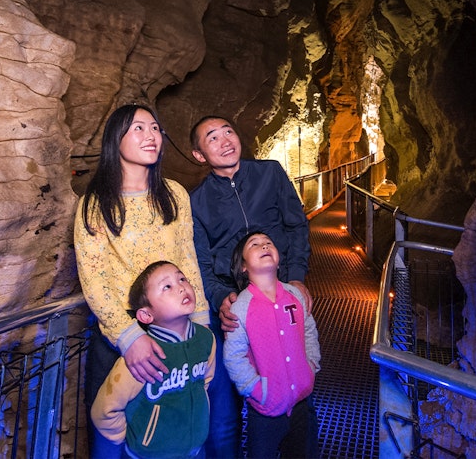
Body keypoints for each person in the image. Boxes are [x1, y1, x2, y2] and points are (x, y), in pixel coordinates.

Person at [75, 104, 212, 458]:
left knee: (180, 424)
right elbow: (94, 278)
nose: (150, 135)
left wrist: (200, 323)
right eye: (138, 128)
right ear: (114, 139)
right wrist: (130, 336)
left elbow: (187, 260)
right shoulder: (95, 204)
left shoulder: (174, 194)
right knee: (113, 439)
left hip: (180, 330)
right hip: (124, 337)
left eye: (155, 128)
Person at [188, 115, 313, 457]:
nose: (225, 140)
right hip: (234, 305)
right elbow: (200, 259)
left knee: (293, 375)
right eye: (212, 138)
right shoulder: (196, 202)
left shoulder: (269, 173)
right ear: (200, 154)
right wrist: (218, 298)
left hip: (280, 292)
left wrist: (298, 276)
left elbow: (296, 225)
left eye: (228, 131)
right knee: (229, 398)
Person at [91, 261, 216, 459]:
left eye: (182, 278)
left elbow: (204, 382)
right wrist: (135, 441)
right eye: (167, 287)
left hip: (195, 451)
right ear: (146, 314)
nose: (181, 286)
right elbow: (105, 410)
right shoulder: (143, 356)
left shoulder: (206, 338)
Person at [224, 232, 321, 459]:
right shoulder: (241, 307)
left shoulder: (295, 295)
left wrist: (311, 365)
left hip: (301, 401)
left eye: (269, 242)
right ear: (243, 266)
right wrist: (256, 389)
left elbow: (309, 330)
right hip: (265, 409)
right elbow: (233, 356)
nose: (264, 245)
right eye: (254, 244)